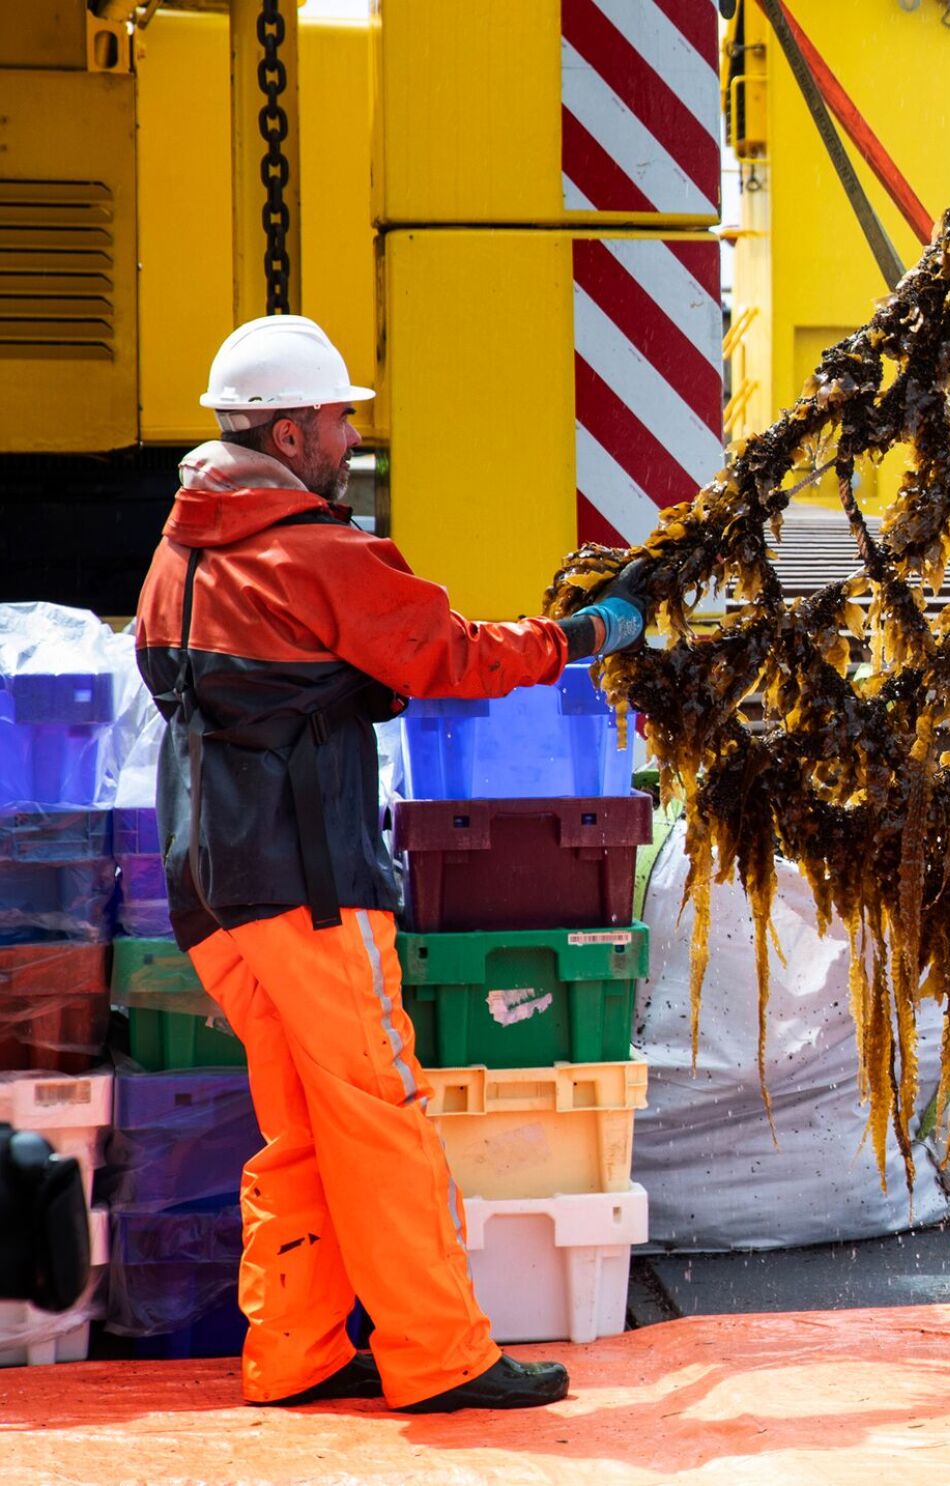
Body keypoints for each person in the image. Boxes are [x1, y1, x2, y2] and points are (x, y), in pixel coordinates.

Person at [131, 316, 649, 1412]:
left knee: (304, 1123)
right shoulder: (315, 550)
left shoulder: (180, 554)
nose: (351, 436)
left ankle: (298, 1349)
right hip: (307, 884)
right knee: (381, 1107)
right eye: (336, 418)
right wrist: (583, 638)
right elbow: (446, 655)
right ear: (286, 426)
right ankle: (441, 1354)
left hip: (210, 885)